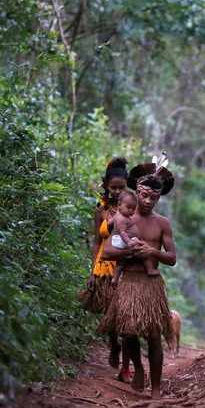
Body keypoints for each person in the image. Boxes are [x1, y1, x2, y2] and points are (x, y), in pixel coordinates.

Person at [100, 154, 176, 399]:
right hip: (129, 283)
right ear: (137, 192)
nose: (147, 201)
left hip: (151, 284)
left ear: (159, 197)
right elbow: (108, 251)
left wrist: (152, 251)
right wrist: (131, 250)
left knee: (154, 335)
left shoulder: (162, 223)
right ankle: (138, 368)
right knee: (128, 333)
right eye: (144, 195)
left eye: (153, 197)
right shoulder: (124, 219)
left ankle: (155, 389)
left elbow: (172, 258)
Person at [76, 157, 134, 383]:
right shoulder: (100, 210)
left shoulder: (132, 208)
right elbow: (97, 243)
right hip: (104, 268)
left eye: (122, 187)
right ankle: (114, 345)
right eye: (114, 188)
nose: (119, 192)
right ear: (106, 187)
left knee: (126, 318)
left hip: (127, 269)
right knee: (110, 314)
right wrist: (93, 272)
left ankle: (127, 368)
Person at [108, 191, 158, 282]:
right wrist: (129, 241)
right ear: (119, 205)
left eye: (133, 209)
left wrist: (111, 228)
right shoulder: (121, 218)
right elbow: (122, 232)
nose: (131, 211)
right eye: (128, 208)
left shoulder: (118, 216)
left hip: (120, 240)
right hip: (124, 240)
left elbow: (109, 223)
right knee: (142, 249)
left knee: (120, 263)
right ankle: (150, 269)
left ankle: (114, 279)